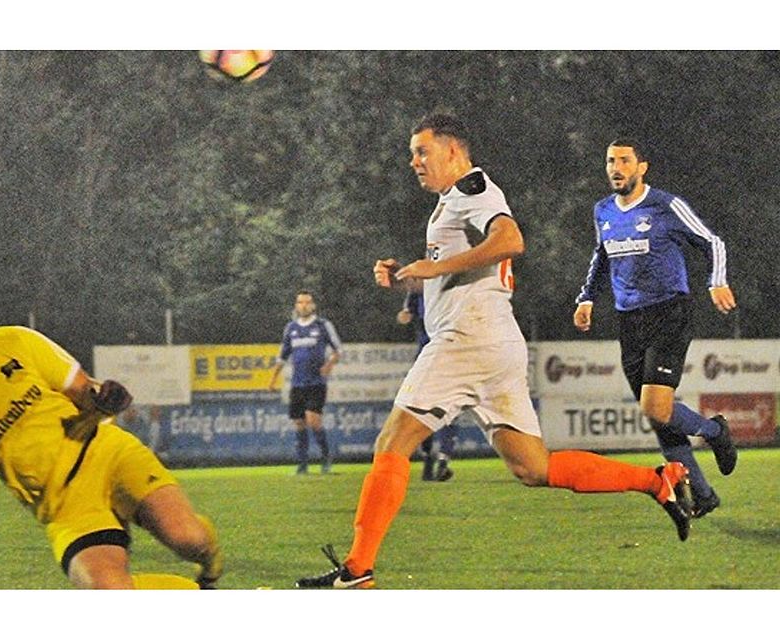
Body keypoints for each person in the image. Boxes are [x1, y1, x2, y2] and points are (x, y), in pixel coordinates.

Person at [296, 112, 695, 590]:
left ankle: (358, 569)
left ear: (452, 151)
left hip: (467, 339)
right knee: (534, 467)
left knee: (392, 443)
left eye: (422, 152)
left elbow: (510, 240)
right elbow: (465, 271)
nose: (414, 162)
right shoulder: (453, 200)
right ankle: (658, 481)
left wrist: (432, 268)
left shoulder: (473, 188)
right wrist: (409, 275)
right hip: (494, 341)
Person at [0, 283, 223, 589]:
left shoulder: (14, 341)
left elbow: (84, 390)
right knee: (108, 590)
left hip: (107, 454)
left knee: (188, 539)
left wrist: (104, 399)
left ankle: (210, 565)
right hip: (64, 506)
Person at [574, 138, 738, 518]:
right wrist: (586, 298)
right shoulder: (603, 211)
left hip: (669, 313)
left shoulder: (666, 205)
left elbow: (712, 242)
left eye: (624, 161)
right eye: (610, 161)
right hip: (629, 320)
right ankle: (703, 494)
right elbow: (601, 256)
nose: (616, 168)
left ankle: (715, 432)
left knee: (656, 405)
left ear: (641, 167)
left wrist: (716, 281)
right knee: (657, 416)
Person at [269, 290, 342, 474]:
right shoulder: (291, 328)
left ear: (313, 305)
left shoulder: (322, 325)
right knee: (299, 422)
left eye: (307, 302)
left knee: (313, 420)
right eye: (300, 302)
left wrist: (329, 365)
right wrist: (273, 378)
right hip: (297, 383)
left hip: (316, 382)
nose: (304, 306)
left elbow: (338, 350)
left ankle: (325, 460)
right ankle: (302, 465)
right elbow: (282, 356)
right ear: (296, 306)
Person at [396, 291, 454, 482]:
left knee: (448, 407)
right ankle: (428, 456)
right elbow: (406, 313)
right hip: (426, 356)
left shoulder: (450, 287)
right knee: (421, 407)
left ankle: (443, 459)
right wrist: (405, 315)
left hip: (449, 354)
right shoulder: (417, 292)